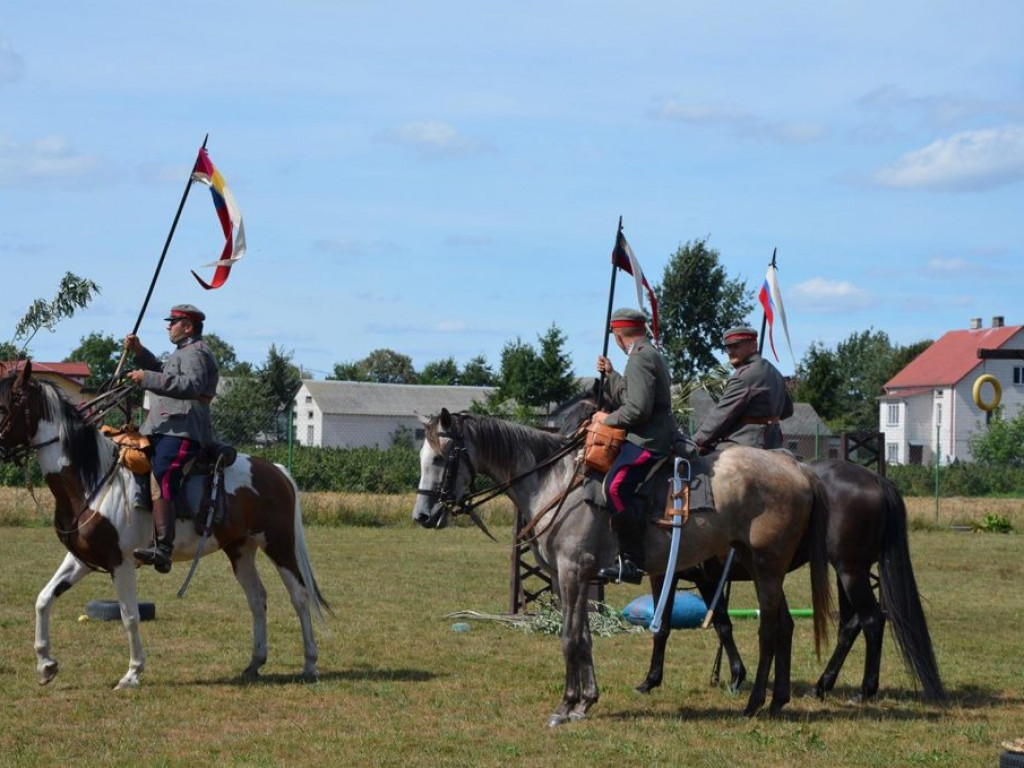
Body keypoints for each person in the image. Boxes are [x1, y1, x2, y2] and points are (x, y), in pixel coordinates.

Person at [123, 303, 219, 573]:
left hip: (186, 427)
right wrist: (140, 353)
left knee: (164, 470)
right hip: (166, 427)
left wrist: (147, 378)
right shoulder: (183, 352)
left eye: (172, 322)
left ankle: (164, 547)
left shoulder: (197, 353)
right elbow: (163, 372)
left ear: (187, 326)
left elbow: (191, 386)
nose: (168, 326)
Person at [593, 308, 677, 584]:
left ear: (618, 334)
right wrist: (613, 374)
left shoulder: (640, 358)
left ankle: (632, 561)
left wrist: (608, 419)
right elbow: (632, 394)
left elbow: (637, 410)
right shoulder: (645, 353)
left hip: (648, 439)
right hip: (649, 433)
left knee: (614, 487)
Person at [693, 325, 793, 454]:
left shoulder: (744, 376)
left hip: (745, 445)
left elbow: (721, 417)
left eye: (736, 346)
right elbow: (787, 411)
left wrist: (695, 442)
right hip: (775, 444)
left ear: (753, 346)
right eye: (728, 347)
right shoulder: (776, 373)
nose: (730, 351)